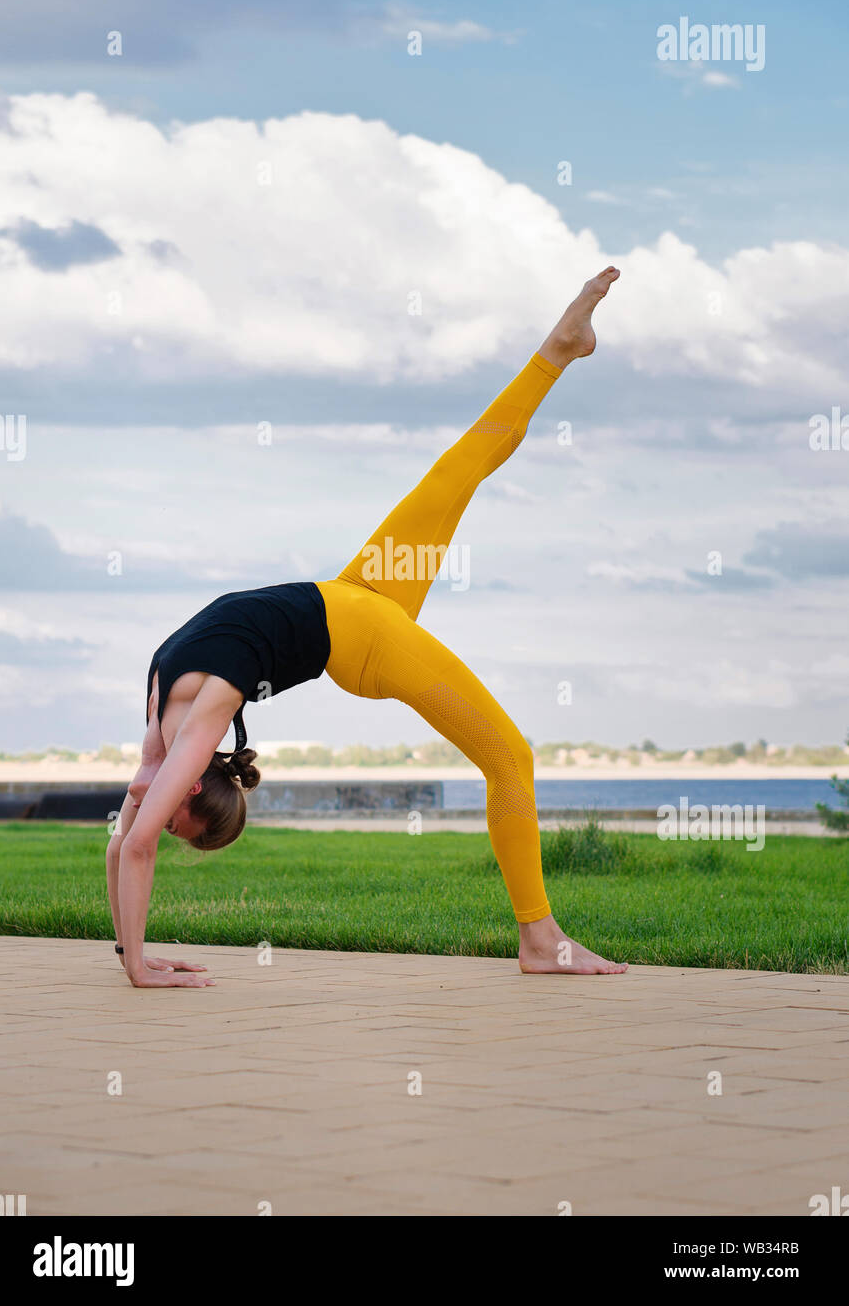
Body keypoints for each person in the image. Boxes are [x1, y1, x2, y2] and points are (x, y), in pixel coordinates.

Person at [106, 268, 628, 986]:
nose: (162, 823)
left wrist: (133, 964)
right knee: (511, 758)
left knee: (456, 470)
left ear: (191, 787)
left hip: (356, 589)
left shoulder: (173, 734)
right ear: (196, 785)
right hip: (364, 642)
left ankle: (559, 348)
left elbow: (127, 848)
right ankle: (541, 938)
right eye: (178, 827)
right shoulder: (190, 715)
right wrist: (136, 957)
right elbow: (134, 844)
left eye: (176, 825)